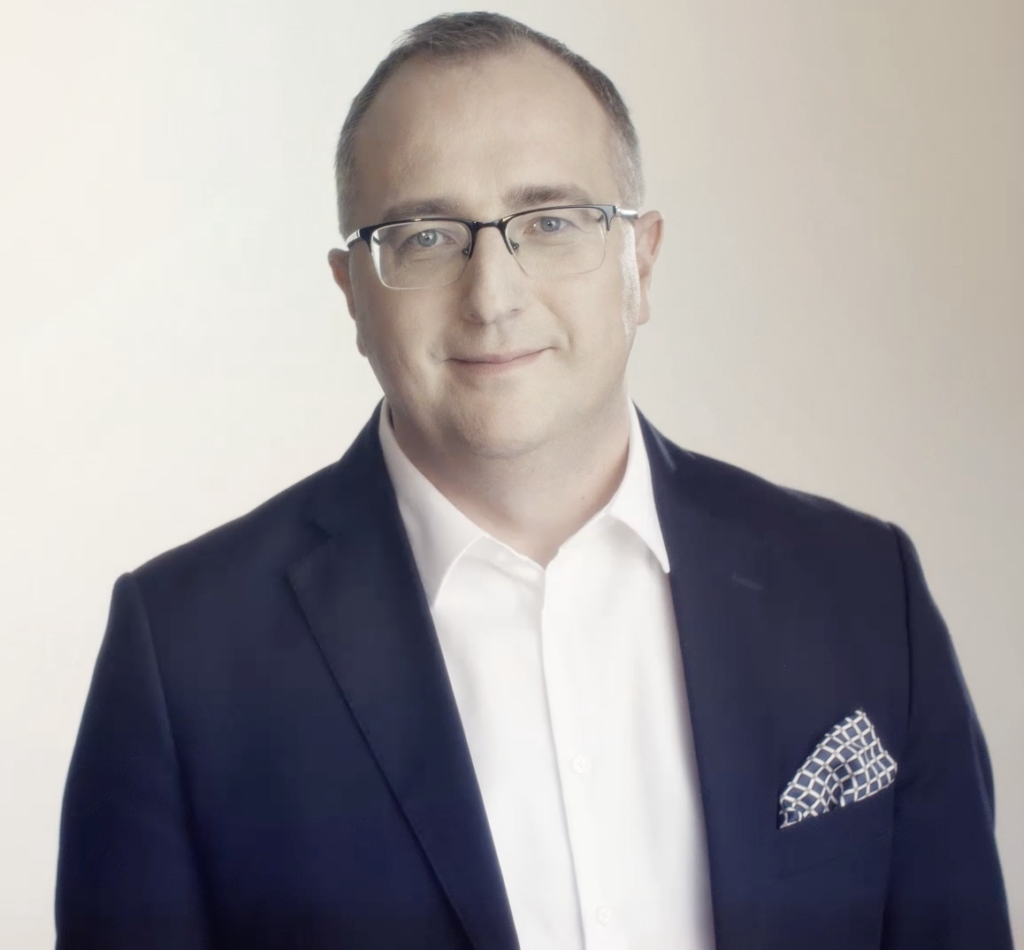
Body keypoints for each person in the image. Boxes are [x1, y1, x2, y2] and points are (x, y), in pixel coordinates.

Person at [55, 12, 1013, 950]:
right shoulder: (183, 655)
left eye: (551, 222)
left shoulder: (863, 590)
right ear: (352, 292)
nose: (492, 295)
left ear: (641, 261)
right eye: (426, 236)